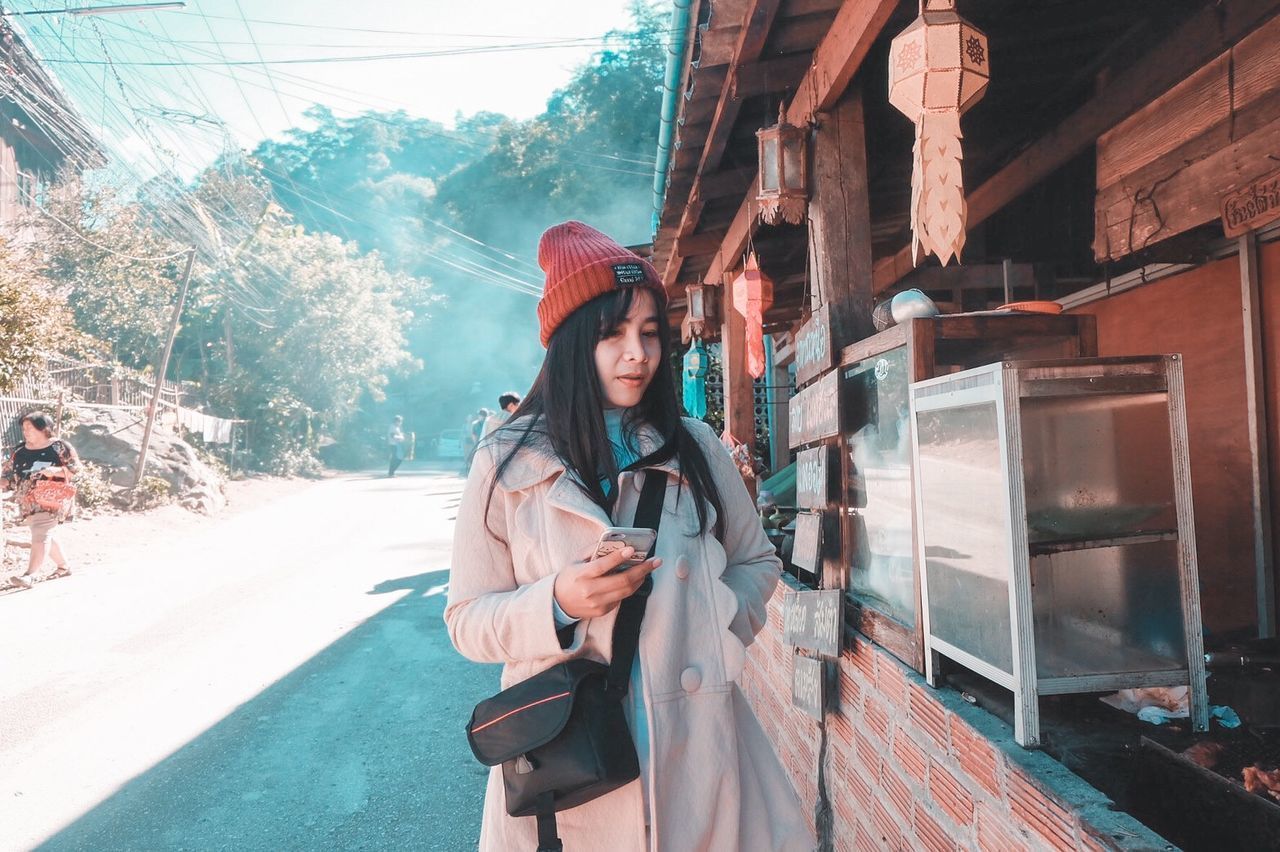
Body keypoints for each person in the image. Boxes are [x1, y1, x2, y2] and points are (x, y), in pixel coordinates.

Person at [445, 221, 811, 851]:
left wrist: (716, 629)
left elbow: (756, 560)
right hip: (570, 759)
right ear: (570, 344)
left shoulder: (693, 445)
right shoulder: (507, 463)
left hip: (699, 745)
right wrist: (558, 602)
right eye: (612, 334)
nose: (637, 353)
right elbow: (466, 619)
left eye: (648, 333)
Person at [2, 411, 79, 589]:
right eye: (24, 428)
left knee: (41, 531)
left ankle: (30, 575)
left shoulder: (59, 447)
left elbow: (75, 469)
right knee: (43, 533)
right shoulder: (20, 450)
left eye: (30, 428)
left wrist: (56, 472)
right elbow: (9, 473)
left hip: (53, 496)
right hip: (28, 500)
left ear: (44, 428)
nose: (26, 432)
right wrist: (4, 481)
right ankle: (64, 566)